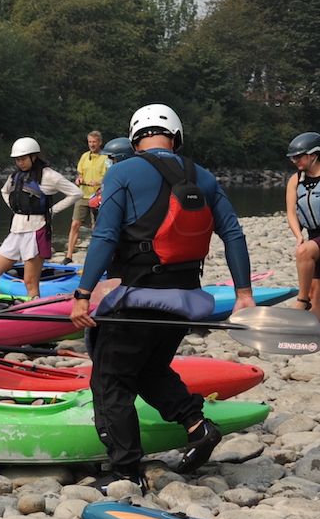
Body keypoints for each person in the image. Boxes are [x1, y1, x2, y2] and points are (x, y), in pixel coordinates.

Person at [71, 103, 254, 493]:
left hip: (137, 299)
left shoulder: (121, 171)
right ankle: (197, 426)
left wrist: (83, 295)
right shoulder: (204, 177)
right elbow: (234, 235)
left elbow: (104, 237)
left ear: (135, 136)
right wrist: (244, 294)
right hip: (186, 301)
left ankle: (125, 472)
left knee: (111, 380)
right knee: (149, 368)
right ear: (176, 136)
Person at [0, 138, 79, 298]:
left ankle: (33, 316)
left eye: (23, 159)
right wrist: (14, 207)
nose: (20, 162)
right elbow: (5, 191)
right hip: (16, 231)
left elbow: (76, 193)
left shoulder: (48, 175)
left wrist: (51, 211)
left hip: (36, 231)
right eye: (17, 159)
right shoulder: (16, 176)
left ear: (34, 156)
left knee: (30, 281)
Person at [284, 132, 320, 309]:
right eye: (292, 158)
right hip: (313, 235)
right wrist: (298, 236)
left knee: (304, 252)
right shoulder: (296, 180)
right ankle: (312, 332)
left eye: (299, 157)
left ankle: (301, 301)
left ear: (314, 154)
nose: (295, 161)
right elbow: (291, 213)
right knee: (316, 293)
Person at [67, 131, 109, 261]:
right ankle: (69, 255)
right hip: (83, 195)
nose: (92, 144)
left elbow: (110, 177)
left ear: (100, 142)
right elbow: (81, 174)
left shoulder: (106, 158)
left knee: (95, 226)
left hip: (98, 196)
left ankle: (97, 254)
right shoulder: (85, 156)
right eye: (90, 142)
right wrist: (79, 180)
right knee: (75, 224)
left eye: (94, 142)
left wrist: (98, 182)